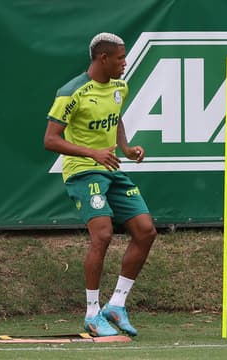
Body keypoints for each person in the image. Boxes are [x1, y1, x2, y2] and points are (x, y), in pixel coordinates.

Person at [43, 32, 157, 337]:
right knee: (103, 234)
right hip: (83, 171)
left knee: (146, 231)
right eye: (120, 57)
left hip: (112, 168)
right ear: (102, 58)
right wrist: (93, 152)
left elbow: (115, 117)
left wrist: (127, 148)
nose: (124, 62)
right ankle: (92, 313)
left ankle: (116, 305)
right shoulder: (72, 92)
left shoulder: (120, 86)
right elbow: (50, 140)